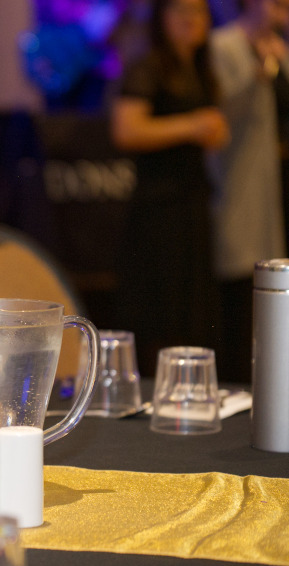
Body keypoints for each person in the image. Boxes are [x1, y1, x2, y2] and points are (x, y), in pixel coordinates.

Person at [110, 0, 229, 375]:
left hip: (193, 200)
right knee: (157, 307)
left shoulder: (201, 67)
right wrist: (191, 126)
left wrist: (212, 130)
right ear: (162, 17)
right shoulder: (148, 66)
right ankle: (152, 392)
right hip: (157, 206)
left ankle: (186, 387)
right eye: (182, 11)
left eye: (199, 12)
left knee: (190, 307)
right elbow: (126, 130)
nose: (191, 21)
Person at [209, 0, 289, 383]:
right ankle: (239, 387)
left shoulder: (279, 45)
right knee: (241, 295)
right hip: (237, 189)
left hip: (275, 188)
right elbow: (219, 119)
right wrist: (260, 71)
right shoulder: (223, 44)